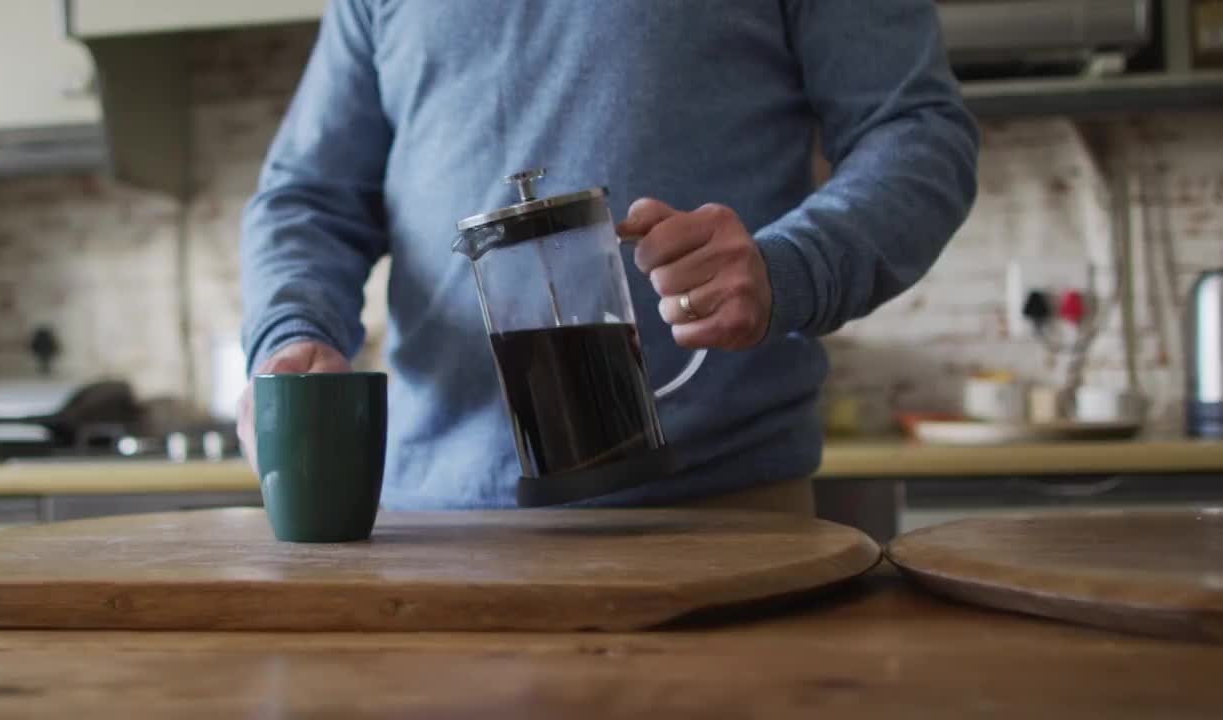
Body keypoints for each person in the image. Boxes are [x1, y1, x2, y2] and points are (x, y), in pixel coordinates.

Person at [239, 0, 979, 513]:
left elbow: (916, 131)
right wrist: (291, 334)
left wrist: (791, 266)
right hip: (429, 527)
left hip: (717, 520)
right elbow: (309, 196)